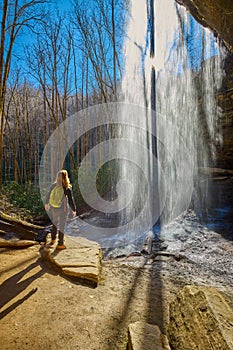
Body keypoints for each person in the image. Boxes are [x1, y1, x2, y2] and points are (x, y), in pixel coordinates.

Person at [45, 169, 76, 250]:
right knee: (62, 226)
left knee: (54, 223)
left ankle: (53, 239)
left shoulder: (53, 185)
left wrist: (46, 204)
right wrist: (74, 210)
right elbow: (70, 200)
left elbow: (48, 195)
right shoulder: (67, 188)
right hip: (63, 209)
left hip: (54, 208)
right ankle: (60, 244)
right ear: (66, 177)